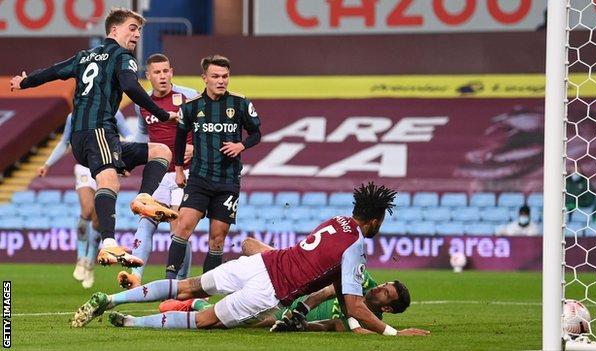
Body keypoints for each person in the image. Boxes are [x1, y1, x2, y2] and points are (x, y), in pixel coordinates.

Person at [71, 182, 424, 336]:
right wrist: (393, 333)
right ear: (375, 220)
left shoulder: (336, 221)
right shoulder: (357, 245)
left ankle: (111, 298)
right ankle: (131, 322)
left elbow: (329, 274)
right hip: (270, 289)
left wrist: (306, 307)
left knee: (186, 285)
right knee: (208, 320)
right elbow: (355, 304)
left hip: (260, 264)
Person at [10, 8, 179, 268]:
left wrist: (25, 83)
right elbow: (131, 86)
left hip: (86, 135)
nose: (136, 34)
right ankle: (109, 243)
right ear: (114, 30)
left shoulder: (83, 56)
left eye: (139, 30)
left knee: (160, 152)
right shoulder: (122, 56)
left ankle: (144, 197)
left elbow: (52, 72)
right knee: (109, 179)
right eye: (132, 28)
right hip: (97, 129)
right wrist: (161, 113)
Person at [159, 237, 428, 335]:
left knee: (238, 322)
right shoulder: (362, 279)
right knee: (249, 244)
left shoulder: (368, 321)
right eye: (384, 284)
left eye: (385, 293)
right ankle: (274, 261)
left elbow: (333, 325)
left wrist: (301, 323)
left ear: (388, 309)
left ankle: (194, 304)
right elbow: (330, 290)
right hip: (294, 285)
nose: (379, 288)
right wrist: (306, 306)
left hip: (285, 306)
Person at [163, 54, 261, 279]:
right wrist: (178, 170)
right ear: (204, 78)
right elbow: (179, 140)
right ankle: (170, 282)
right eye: (215, 76)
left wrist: (241, 145)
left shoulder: (240, 103)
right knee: (182, 227)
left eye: (225, 76)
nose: (221, 81)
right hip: (199, 178)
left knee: (217, 238)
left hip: (228, 182)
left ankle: (206, 288)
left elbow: (256, 133)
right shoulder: (191, 107)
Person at [117, 53, 198, 289]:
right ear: (148, 76)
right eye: (157, 72)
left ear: (171, 72)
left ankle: (177, 284)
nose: (162, 76)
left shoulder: (189, 96)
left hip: (186, 173)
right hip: (160, 175)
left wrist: (196, 148)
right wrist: (129, 161)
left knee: (178, 228)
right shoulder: (141, 104)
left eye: (166, 71)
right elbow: (143, 135)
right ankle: (135, 276)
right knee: (145, 222)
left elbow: (207, 128)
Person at [38, 111, 132, 288]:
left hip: (106, 168)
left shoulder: (114, 112)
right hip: (84, 168)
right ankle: (81, 258)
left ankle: (89, 261)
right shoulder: (73, 116)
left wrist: (122, 160)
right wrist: (47, 164)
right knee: (87, 210)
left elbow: (129, 135)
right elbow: (64, 141)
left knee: (98, 219)